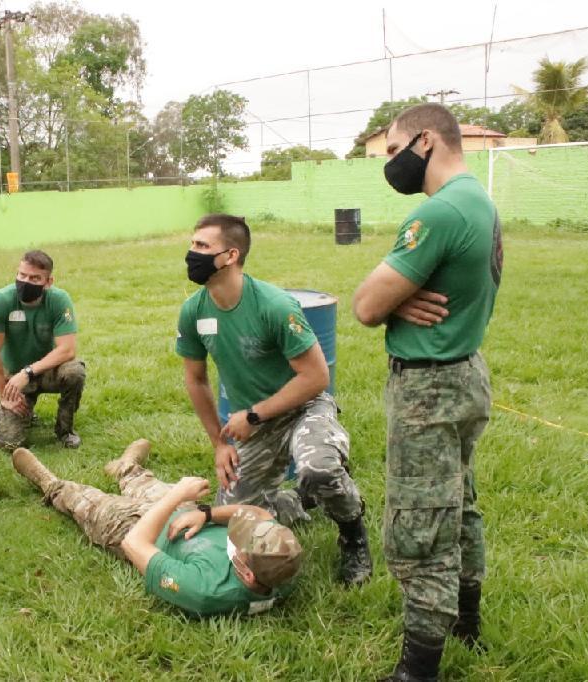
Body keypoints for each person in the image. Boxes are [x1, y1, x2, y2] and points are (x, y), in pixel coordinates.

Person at [353, 103, 501, 682]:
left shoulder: (438, 213)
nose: (389, 165)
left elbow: (365, 306)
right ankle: (466, 620)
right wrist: (404, 299)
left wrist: (391, 300)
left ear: (424, 141)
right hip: (465, 372)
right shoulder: (479, 201)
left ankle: (418, 670)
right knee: (458, 503)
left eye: (392, 152)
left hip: (429, 386)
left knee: (420, 523)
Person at [175, 214, 372, 587]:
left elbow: (316, 377)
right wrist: (219, 442)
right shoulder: (194, 311)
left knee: (319, 468)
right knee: (236, 519)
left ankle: (353, 536)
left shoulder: (274, 305)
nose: (191, 253)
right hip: (254, 425)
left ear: (231, 255)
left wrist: (254, 414)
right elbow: (196, 380)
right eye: (192, 244)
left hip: (303, 409)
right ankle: (295, 501)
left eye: (202, 246)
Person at [12, 440, 302, 617]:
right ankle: (127, 468)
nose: (236, 534)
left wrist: (176, 495)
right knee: (144, 484)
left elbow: (135, 545)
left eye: (238, 543)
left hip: (137, 529)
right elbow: (258, 514)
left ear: (248, 574)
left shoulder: (205, 591)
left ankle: (50, 484)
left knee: (88, 503)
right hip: (186, 514)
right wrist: (206, 512)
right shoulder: (279, 557)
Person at [0, 250, 85, 450]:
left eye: (34, 278)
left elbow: (67, 350)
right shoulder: (0, 300)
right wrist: (4, 394)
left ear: (48, 282)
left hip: (46, 371)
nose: (26, 282)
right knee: (8, 442)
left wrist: (28, 372)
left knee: (74, 371)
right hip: (14, 379)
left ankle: (65, 430)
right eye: (22, 275)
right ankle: (24, 411)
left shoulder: (59, 299)